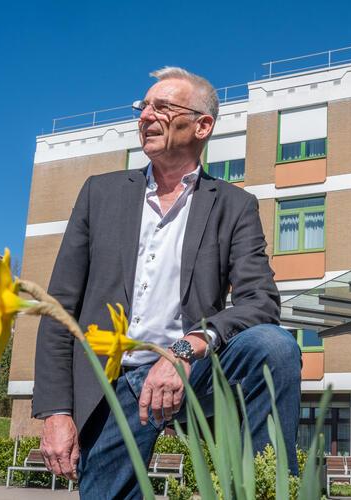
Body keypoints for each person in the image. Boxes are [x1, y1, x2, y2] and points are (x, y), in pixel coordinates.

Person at [32, 66, 301, 499]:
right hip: (112, 384)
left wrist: (184, 349)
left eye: (161, 106)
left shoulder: (234, 205)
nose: (145, 116)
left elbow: (260, 301)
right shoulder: (99, 194)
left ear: (202, 125)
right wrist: (56, 412)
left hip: (192, 371)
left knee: (273, 347)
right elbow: (59, 309)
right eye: (143, 107)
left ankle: (264, 489)